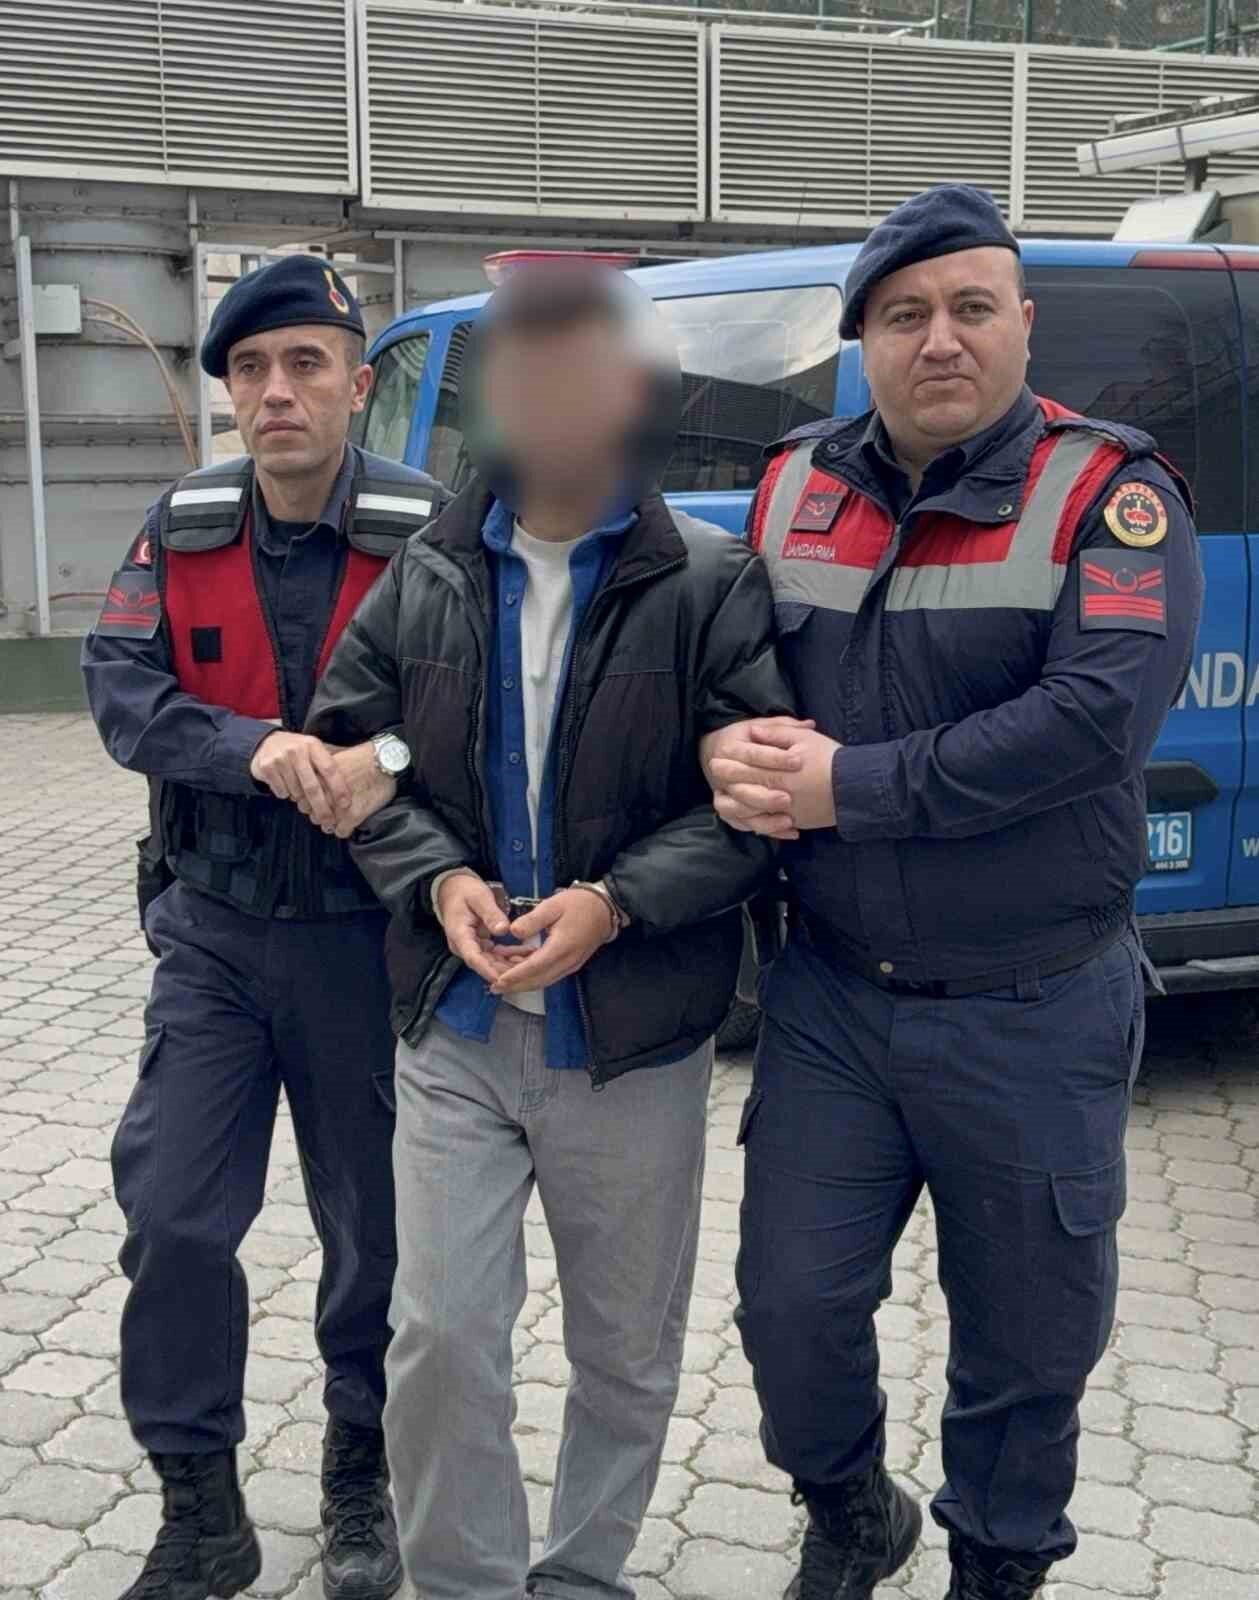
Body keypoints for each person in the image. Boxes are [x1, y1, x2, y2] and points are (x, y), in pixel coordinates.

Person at [701, 186, 1203, 1600]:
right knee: (789, 1309)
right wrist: (724, 746)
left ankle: (998, 1562)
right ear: (860, 337)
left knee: (1027, 1349)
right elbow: (736, 678)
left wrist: (846, 790)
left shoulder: (1109, 495)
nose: (940, 339)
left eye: (972, 308)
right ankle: (851, 1510)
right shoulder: (793, 484)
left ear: (1022, 323)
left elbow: (1093, 724)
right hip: (832, 999)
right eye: (905, 315)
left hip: (1035, 1004)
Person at [306, 263, 793, 1600]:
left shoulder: (710, 582)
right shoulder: (428, 569)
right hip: (456, 1030)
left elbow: (752, 810)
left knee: (624, 1351)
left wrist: (615, 903)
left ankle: (581, 1576)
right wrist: (435, 881)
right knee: (441, 1337)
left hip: (628, 1037)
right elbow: (361, 756)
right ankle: (467, 1581)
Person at [82, 254, 447, 1600]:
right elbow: (120, 688)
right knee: (174, 1218)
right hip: (218, 937)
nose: (276, 391)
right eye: (251, 369)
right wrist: (253, 748)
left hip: (369, 941)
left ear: (355, 385)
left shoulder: (427, 529)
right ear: (230, 392)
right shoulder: (180, 528)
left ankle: (360, 1472)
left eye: (305, 365)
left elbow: (481, 709)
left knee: (379, 1236)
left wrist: (385, 760)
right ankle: (202, 1512)